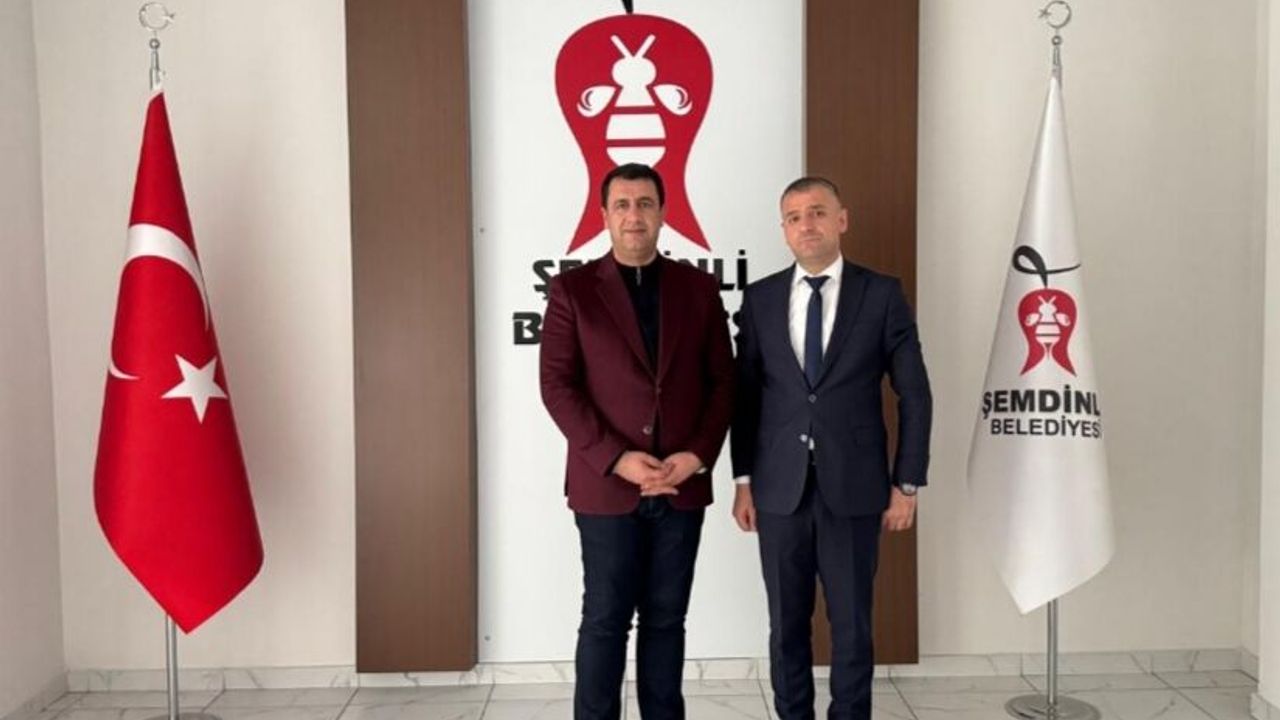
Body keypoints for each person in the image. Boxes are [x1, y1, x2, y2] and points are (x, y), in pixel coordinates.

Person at [730, 176, 932, 720]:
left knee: (852, 625)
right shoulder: (760, 299)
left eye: (818, 212)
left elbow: (914, 393)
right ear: (784, 230)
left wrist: (906, 482)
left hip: (857, 488)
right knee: (785, 626)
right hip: (778, 489)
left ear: (842, 219)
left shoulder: (881, 294)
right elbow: (745, 397)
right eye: (795, 217)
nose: (807, 225)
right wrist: (743, 480)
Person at [540, 163, 734, 720]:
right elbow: (557, 386)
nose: (634, 216)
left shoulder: (698, 288)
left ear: (663, 213)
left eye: (645, 204)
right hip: (607, 487)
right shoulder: (573, 290)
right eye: (622, 205)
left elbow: (723, 381)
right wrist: (617, 458)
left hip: (681, 485)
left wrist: (696, 455)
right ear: (604, 215)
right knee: (605, 619)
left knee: (667, 620)